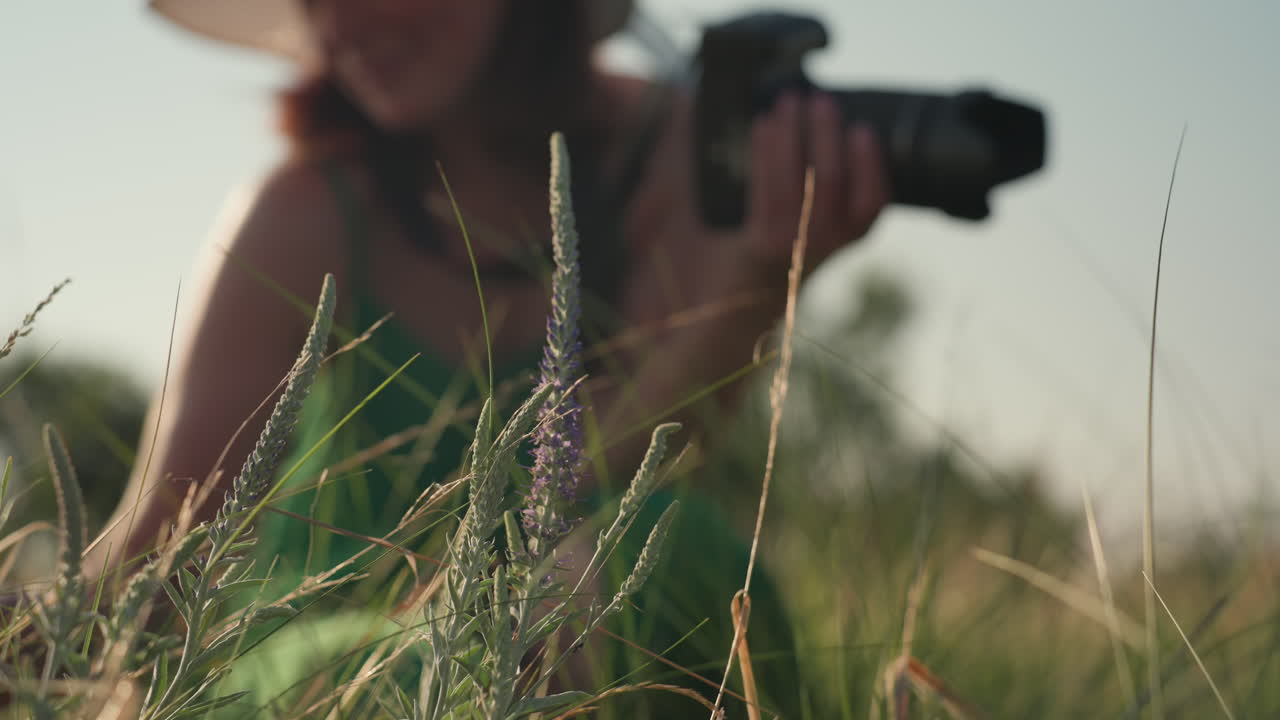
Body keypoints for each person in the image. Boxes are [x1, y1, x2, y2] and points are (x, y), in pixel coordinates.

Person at [88, 0, 890, 713]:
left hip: (588, 590)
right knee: (518, 626)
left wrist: (755, 283)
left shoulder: (670, 152)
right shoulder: (308, 209)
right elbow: (158, 552)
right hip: (334, 658)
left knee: (660, 551)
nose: (342, 23)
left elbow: (650, 470)